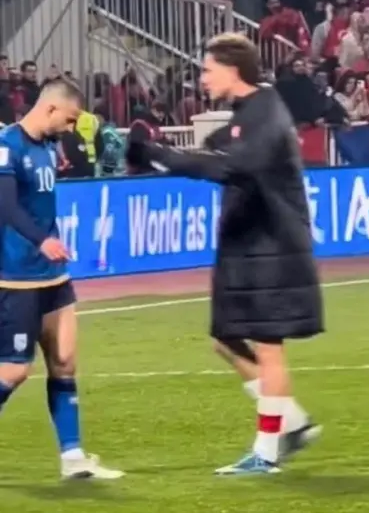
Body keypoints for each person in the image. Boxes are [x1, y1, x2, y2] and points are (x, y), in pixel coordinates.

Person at [126, 33, 323, 476]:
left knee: (269, 348)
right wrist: (163, 154)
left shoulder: (266, 112)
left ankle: (266, 452)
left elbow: (233, 166)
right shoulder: (248, 113)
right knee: (225, 339)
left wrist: (161, 155)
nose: (202, 79)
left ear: (233, 70)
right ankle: (293, 423)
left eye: (207, 70)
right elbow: (220, 154)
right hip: (249, 244)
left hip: (273, 245)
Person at [0, 79, 123, 479]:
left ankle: (73, 459)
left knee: (65, 361)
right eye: (69, 120)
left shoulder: (49, 148)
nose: (71, 129)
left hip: (53, 275)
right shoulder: (8, 145)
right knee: (14, 371)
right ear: (50, 109)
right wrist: (42, 240)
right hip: (15, 275)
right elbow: (5, 206)